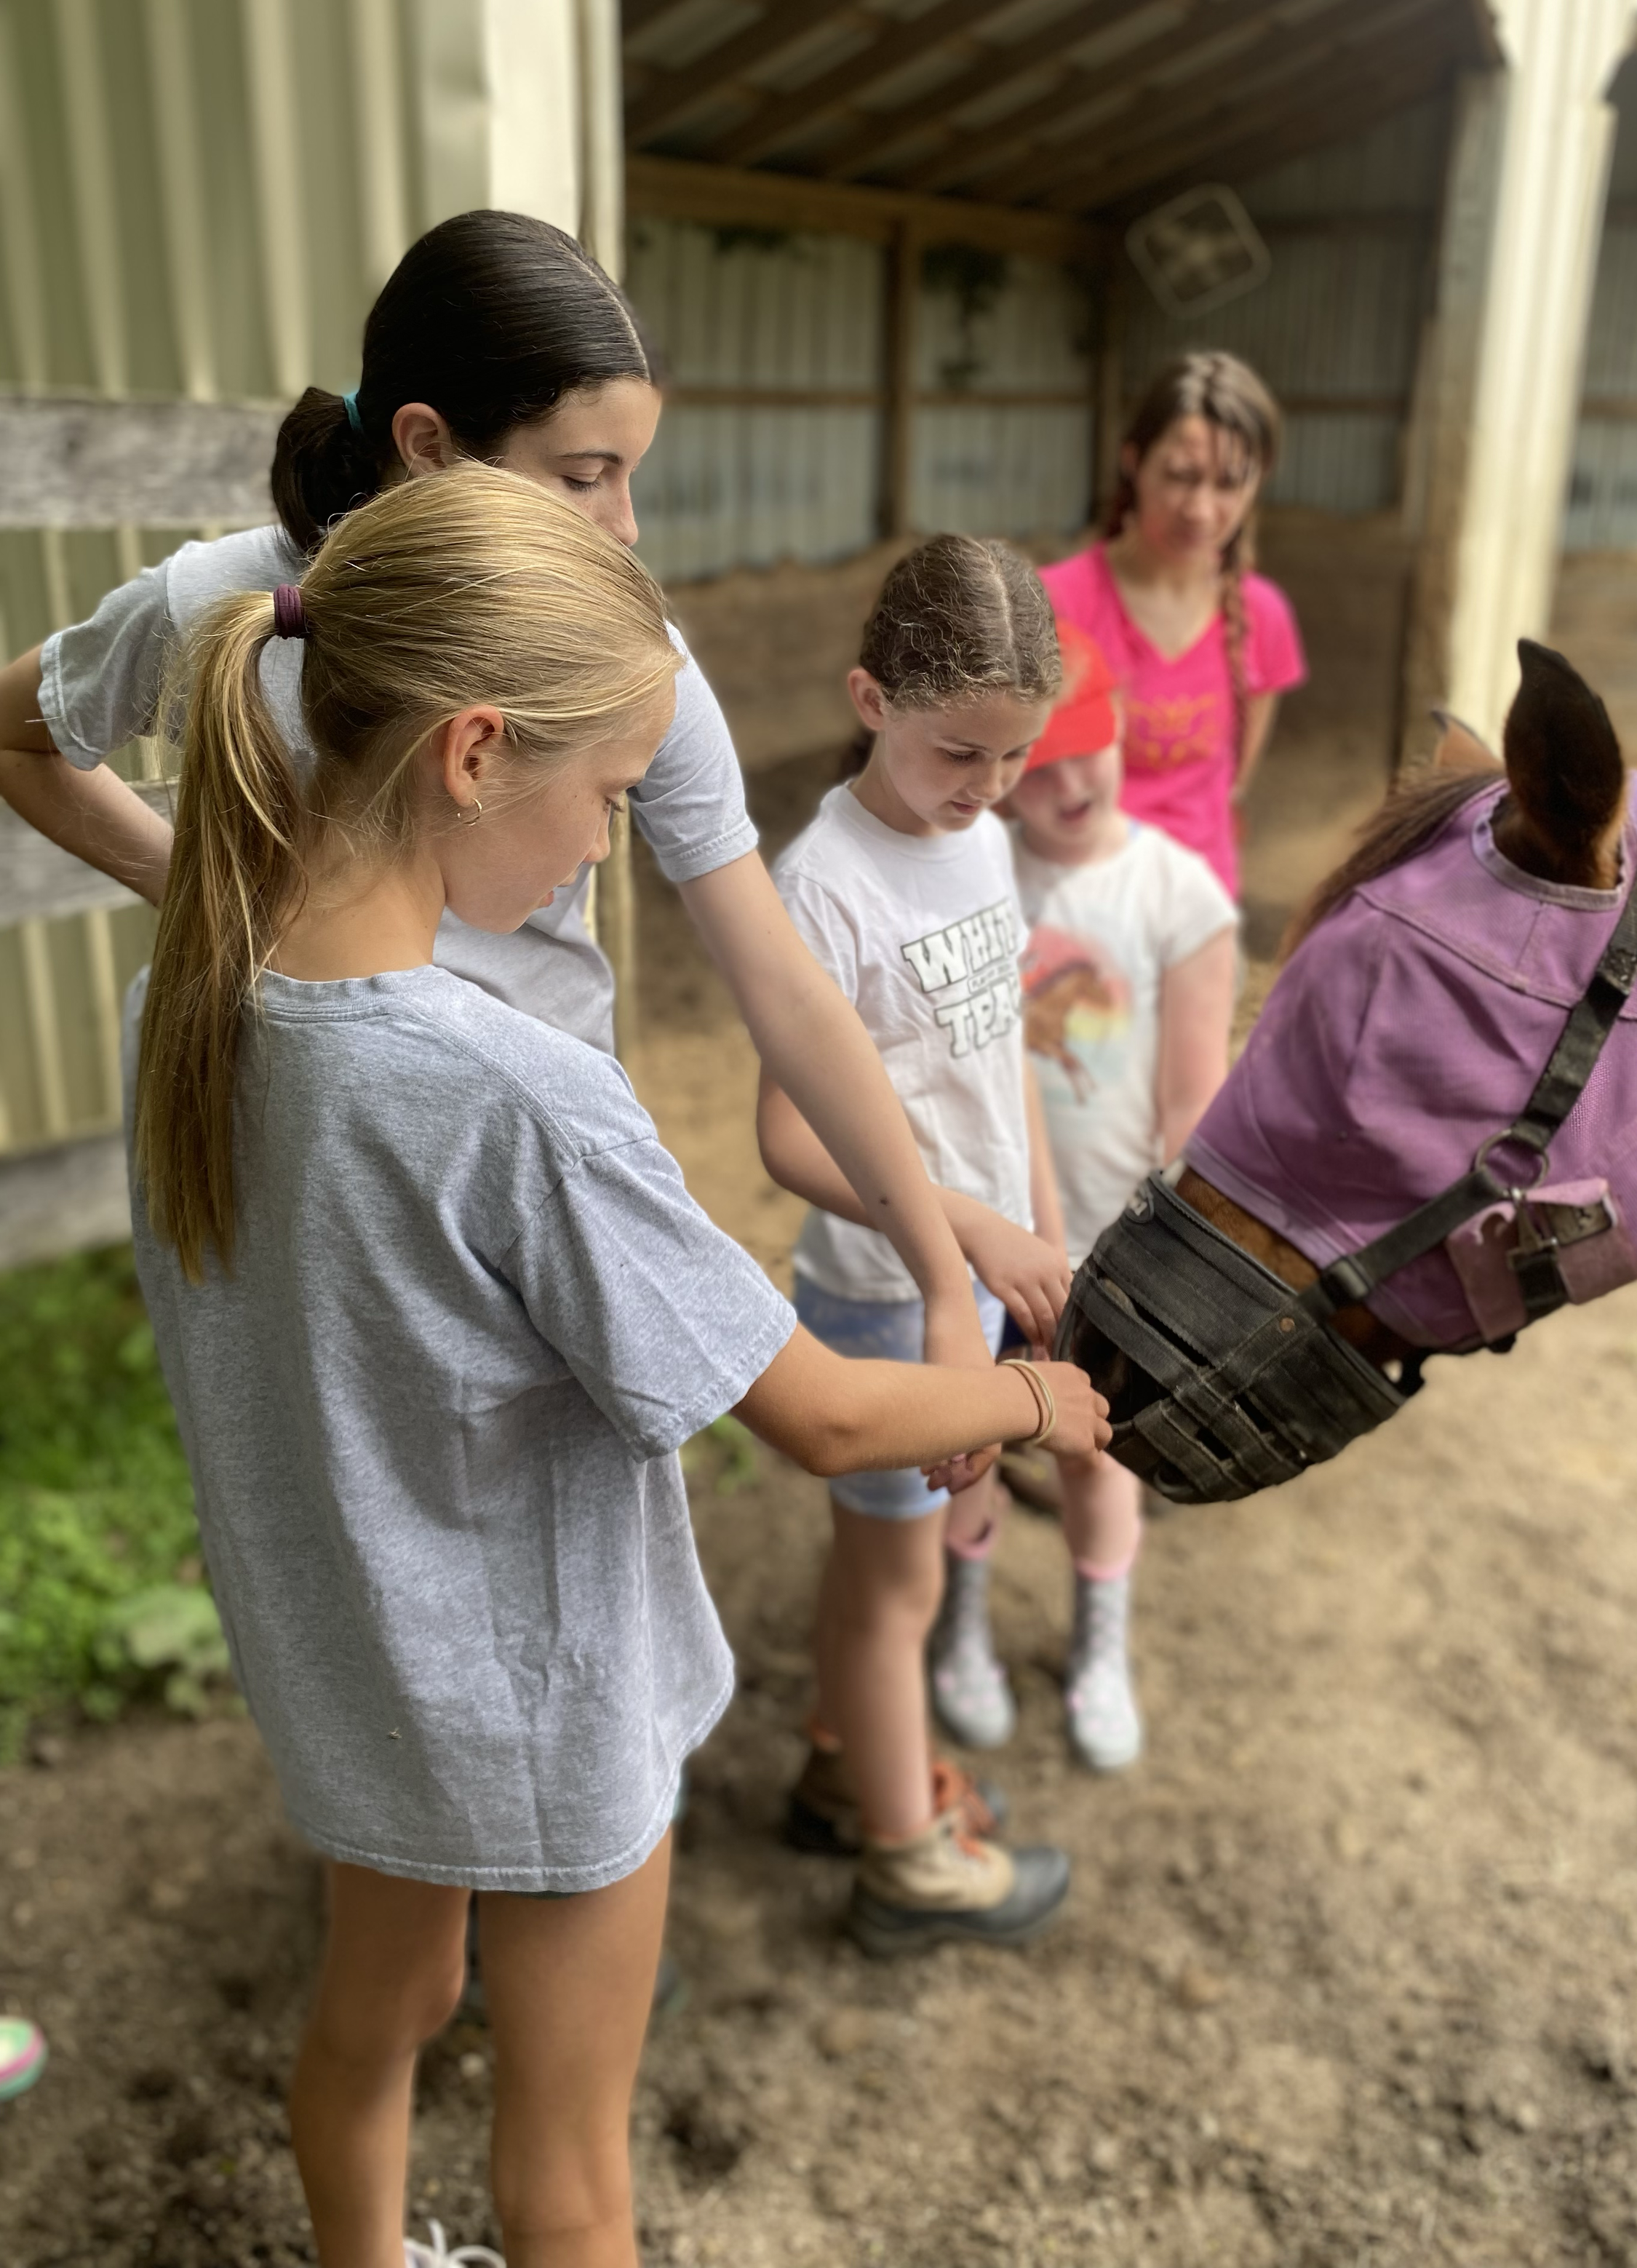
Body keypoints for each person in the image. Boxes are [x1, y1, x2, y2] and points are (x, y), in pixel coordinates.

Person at [127, 465, 1110, 2268]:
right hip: (536, 1697)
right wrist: (1037, 1399)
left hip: (350, 1670)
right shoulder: (512, 1092)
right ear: (475, 751)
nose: (602, 848)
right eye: (601, 796)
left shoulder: (191, 1000)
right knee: (572, 2178)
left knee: (377, 2016)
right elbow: (817, 1409)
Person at [0, 209, 993, 1391]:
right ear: (427, 443)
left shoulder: (628, 661)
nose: (626, 527)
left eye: (633, 474)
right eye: (585, 476)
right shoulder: (234, 606)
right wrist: (223, 895)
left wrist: (941, 1275)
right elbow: (23, 735)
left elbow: (782, 982)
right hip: (322, 1180)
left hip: (547, 1172)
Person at [754, 536, 1084, 1958]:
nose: (987, 787)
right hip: (886, 1298)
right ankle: (905, 1859)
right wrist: (967, 1226)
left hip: (987, 1272)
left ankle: (850, 1766)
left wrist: (1046, 1214)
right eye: (960, 751)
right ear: (869, 697)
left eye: (1013, 757)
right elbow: (787, 1135)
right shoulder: (821, 880)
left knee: (916, 1560)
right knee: (894, 1584)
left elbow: (999, 1041)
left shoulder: (983, 836)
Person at [973, 621, 1238, 1770]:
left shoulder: (1180, 894)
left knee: (1096, 1450)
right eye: (1043, 754)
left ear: (1126, 733)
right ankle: (956, 1632)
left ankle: (1099, 1646)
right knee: (966, 1438)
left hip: (1108, 1244)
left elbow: (1192, 1102)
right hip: (981, 1230)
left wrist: (1175, 1265)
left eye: (1091, 746)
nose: (1071, 780)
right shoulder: (977, 867)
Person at [1040, 350, 1305, 902]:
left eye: (1230, 482)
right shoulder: (1056, 602)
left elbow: (1231, 781)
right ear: (1133, 461)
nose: (1202, 509)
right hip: (1076, 909)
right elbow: (1022, 784)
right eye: (1181, 477)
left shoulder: (1264, 616)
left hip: (1200, 909)